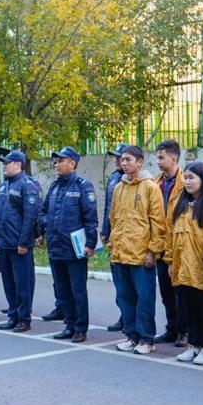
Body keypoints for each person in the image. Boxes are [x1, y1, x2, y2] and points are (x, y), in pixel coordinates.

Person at [109, 146, 166, 354]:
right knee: (125, 297)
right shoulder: (119, 187)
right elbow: (113, 218)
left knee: (145, 299)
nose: (124, 163)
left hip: (142, 255)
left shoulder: (150, 187)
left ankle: (146, 339)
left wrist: (153, 251)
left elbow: (158, 222)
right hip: (120, 253)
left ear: (140, 162)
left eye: (128, 160)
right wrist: (112, 246)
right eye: (122, 160)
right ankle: (131, 336)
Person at [39, 146, 97, 342]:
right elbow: (44, 211)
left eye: (61, 160)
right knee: (62, 290)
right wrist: (44, 227)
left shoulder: (83, 186)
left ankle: (81, 328)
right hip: (56, 246)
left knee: (77, 290)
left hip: (74, 249)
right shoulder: (54, 187)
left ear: (72, 163)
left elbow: (90, 217)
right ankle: (69, 325)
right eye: (56, 161)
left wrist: (90, 244)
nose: (57, 164)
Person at [167, 162, 203, 364]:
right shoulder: (181, 204)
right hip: (182, 265)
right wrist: (170, 261)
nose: (187, 181)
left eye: (192, 177)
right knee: (189, 308)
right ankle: (193, 345)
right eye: (185, 177)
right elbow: (171, 234)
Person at [0, 151, 40, 332]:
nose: (5, 166)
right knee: (9, 282)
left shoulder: (27, 185)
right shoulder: (4, 185)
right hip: (4, 242)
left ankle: (24, 318)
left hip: (19, 244)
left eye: (8, 163)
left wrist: (24, 242)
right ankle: (13, 315)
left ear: (18, 165)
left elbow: (30, 216)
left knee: (23, 283)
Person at [152, 140, 186, 345]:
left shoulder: (187, 182)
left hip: (180, 244)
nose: (157, 161)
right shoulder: (156, 183)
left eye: (161, 157)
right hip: (161, 244)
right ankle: (171, 328)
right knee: (165, 291)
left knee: (181, 291)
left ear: (173, 159)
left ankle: (185, 330)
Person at [100, 143, 130, 333]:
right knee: (119, 281)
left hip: (127, 236)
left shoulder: (132, 179)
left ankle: (130, 318)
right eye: (117, 157)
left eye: (122, 157)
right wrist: (105, 230)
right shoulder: (113, 178)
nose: (118, 160)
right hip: (113, 235)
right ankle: (124, 315)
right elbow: (108, 208)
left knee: (128, 282)